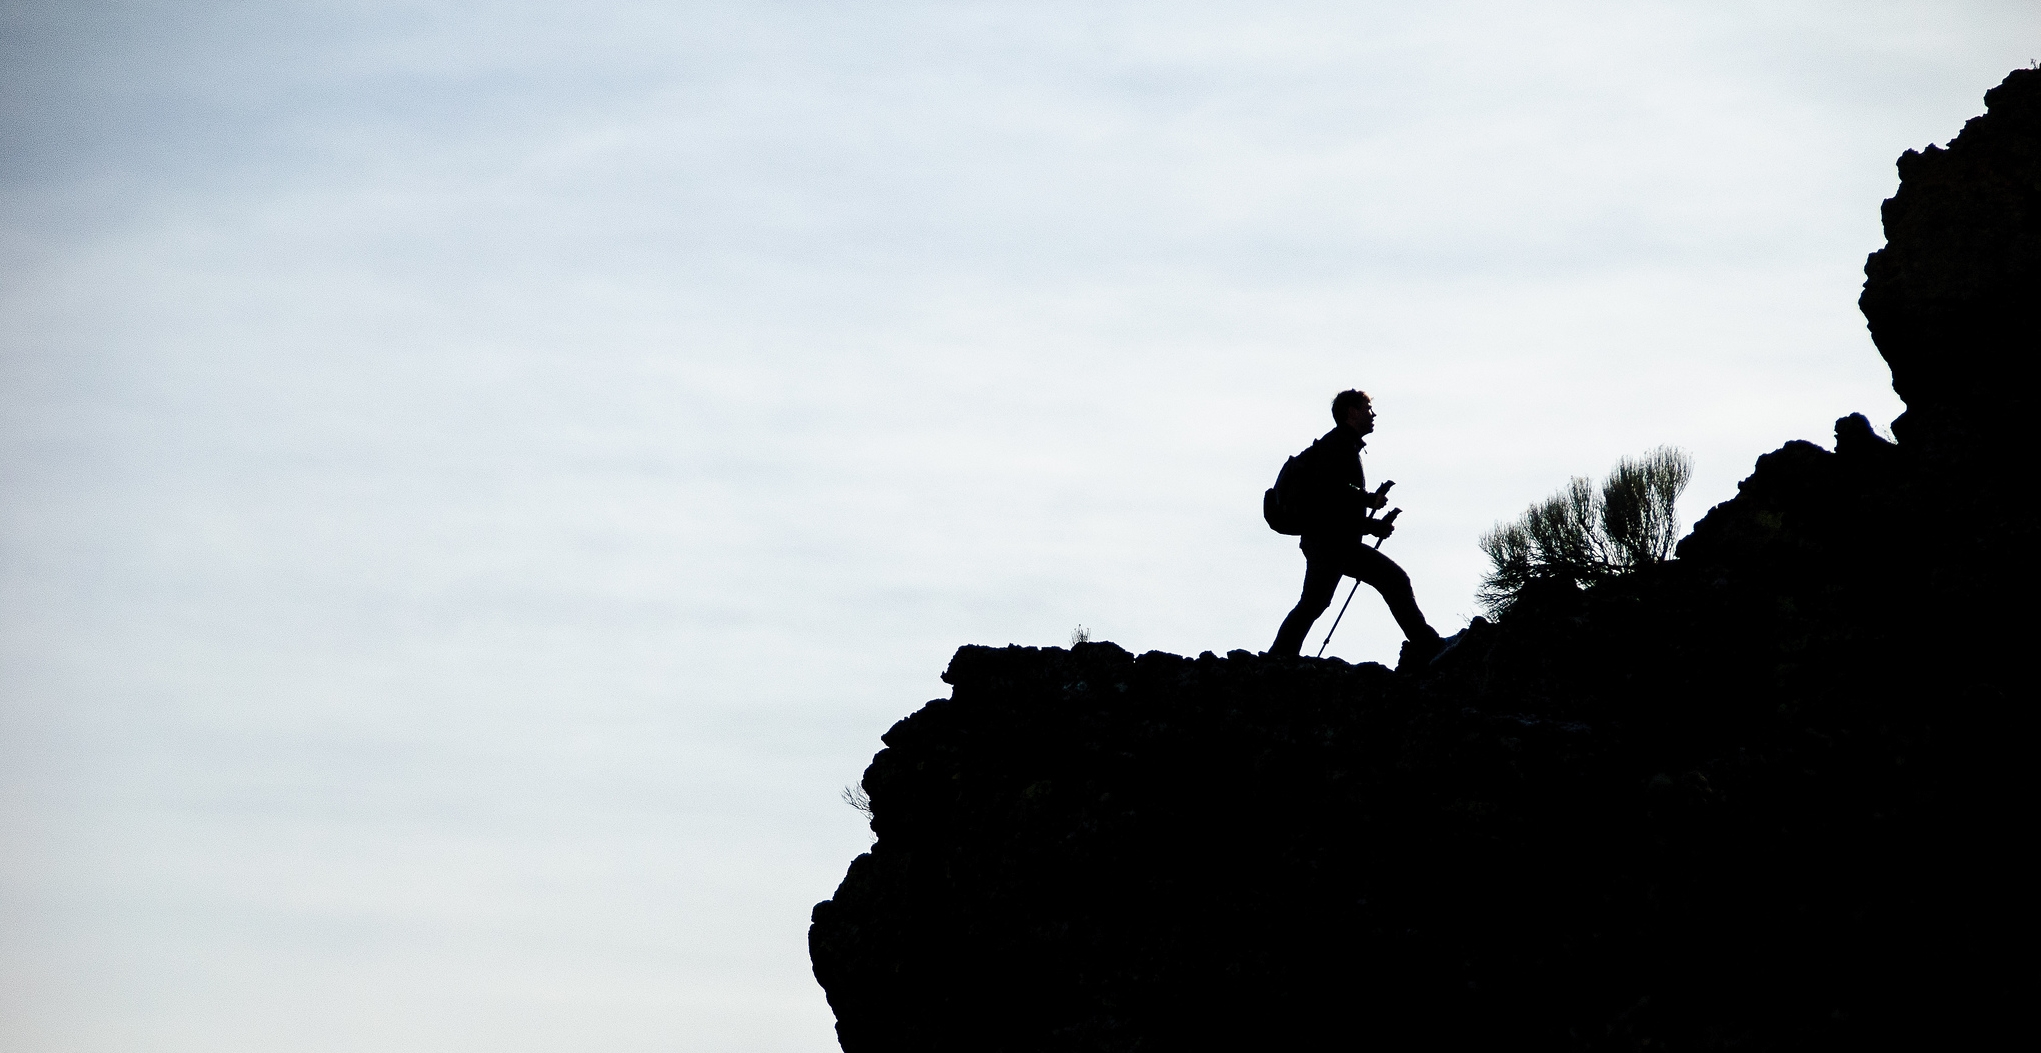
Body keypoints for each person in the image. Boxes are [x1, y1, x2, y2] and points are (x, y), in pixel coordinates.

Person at [1268, 389, 1443, 661]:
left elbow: (1337, 506)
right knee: (1382, 583)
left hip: (1331, 541)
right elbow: (1332, 494)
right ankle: (1428, 645)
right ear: (1351, 412)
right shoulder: (1337, 445)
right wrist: (1367, 500)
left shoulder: (1341, 446)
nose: (1372, 415)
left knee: (1319, 601)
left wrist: (1370, 525)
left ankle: (1279, 657)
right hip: (1328, 542)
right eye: (1367, 409)